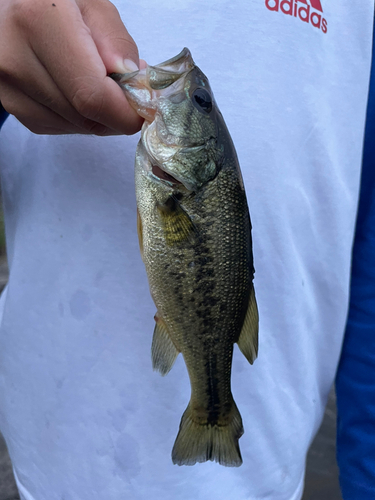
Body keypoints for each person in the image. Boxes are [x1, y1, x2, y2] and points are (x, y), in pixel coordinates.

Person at [0, 0, 374, 499]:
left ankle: (213, 407)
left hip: (272, 474)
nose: (189, 84)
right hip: (54, 458)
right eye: (202, 102)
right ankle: (214, 404)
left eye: (199, 103)